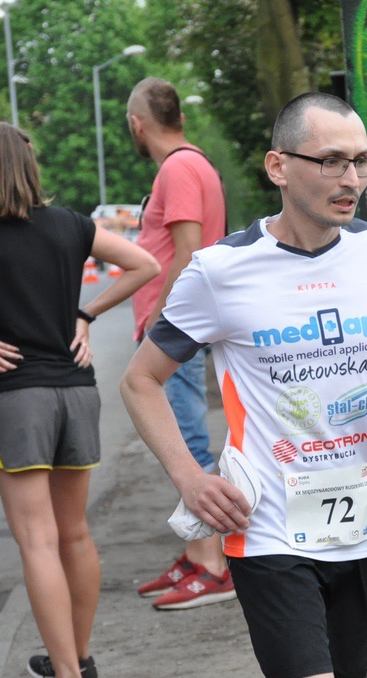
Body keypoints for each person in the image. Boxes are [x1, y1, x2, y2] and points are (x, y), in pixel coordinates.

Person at [121, 92, 367, 678]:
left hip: (362, 525)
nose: (351, 180)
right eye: (331, 161)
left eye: (362, 162)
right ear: (279, 167)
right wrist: (189, 478)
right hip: (267, 529)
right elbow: (141, 381)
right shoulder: (220, 271)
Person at [0, 121, 160, 678]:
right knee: (73, 534)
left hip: (15, 398)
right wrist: (86, 315)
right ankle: (78, 659)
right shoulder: (70, 225)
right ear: (27, 166)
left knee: (37, 541)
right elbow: (143, 264)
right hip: (76, 392)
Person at [125, 77, 235, 610]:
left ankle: (212, 563)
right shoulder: (191, 164)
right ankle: (197, 554)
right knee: (183, 435)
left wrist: (160, 325)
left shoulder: (178, 168)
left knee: (186, 441)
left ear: (137, 124)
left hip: (177, 331)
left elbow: (188, 251)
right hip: (182, 326)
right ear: (180, 118)